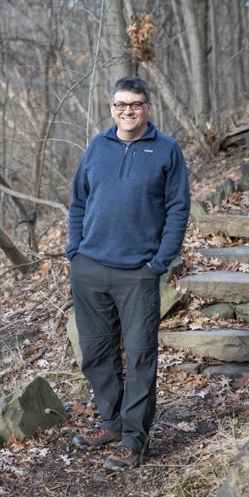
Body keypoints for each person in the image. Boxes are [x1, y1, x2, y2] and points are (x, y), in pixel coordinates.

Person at [66, 76, 190, 471]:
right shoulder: (97, 148)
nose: (127, 111)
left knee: (139, 358)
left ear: (147, 107)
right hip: (90, 268)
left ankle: (135, 439)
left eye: (135, 104)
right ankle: (112, 422)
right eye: (120, 105)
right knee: (96, 353)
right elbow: (77, 202)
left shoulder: (166, 150)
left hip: (138, 272)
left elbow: (178, 210)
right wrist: (75, 252)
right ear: (111, 109)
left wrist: (159, 261)